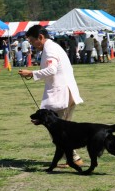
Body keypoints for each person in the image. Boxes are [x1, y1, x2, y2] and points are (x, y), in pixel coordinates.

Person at [18, 25, 84, 168]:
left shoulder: (50, 48)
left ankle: (74, 158)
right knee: (62, 131)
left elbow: (52, 69)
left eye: (31, 41)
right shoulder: (54, 47)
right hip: (65, 93)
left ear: (40, 37)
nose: (31, 45)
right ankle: (72, 158)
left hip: (62, 96)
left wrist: (31, 73)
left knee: (59, 131)